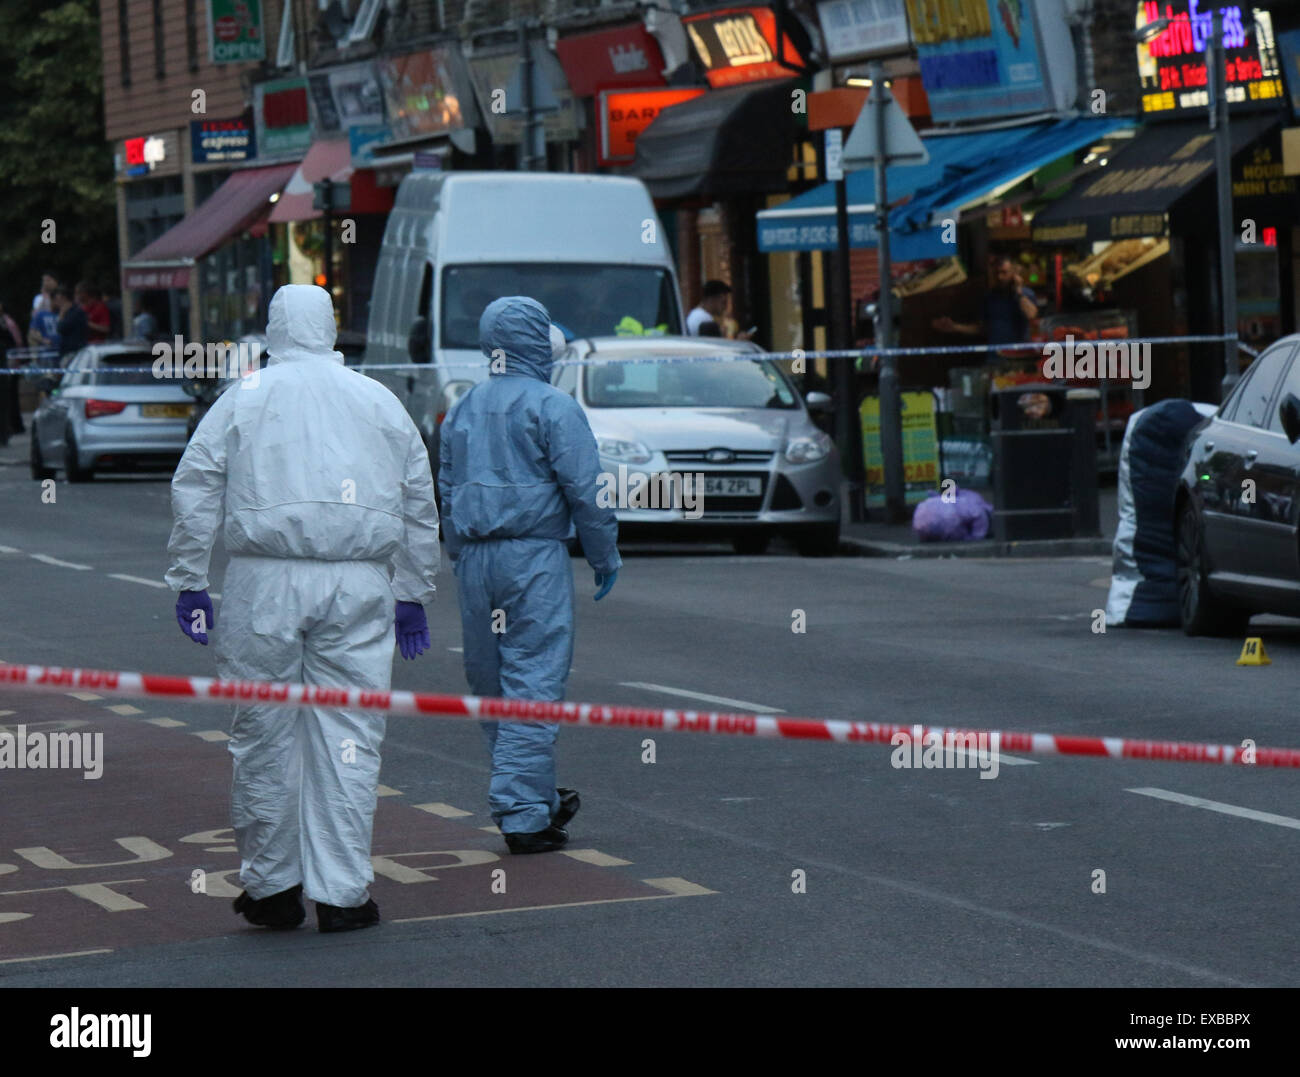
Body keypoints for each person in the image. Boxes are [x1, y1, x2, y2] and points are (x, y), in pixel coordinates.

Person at [165, 284, 441, 934]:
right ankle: (345, 894)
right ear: (330, 328)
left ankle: (272, 888)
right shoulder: (377, 399)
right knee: (349, 735)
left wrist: (190, 578)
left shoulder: (247, 397)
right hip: (358, 582)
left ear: (274, 329)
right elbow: (417, 498)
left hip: (265, 582)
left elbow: (197, 481)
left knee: (264, 733)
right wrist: (413, 590)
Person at [438, 296, 620, 854]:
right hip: (532, 558)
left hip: (475, 558)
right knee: (533, 680)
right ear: (536, 342)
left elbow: (445, 487)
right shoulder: (553, 407)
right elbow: (587, 492)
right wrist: (603, 554)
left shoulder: (464, 407)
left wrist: (457, 550)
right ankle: (522, 811)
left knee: (490, 682)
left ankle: (531, 794)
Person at [931, 256, 1039, 355]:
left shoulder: (1025, 294)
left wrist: (1018, 292)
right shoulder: (990, 297)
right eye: (997, 273)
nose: (1000, 277)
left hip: (1019, 357)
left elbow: (1031, 314)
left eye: (1004, 272)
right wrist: (955, 327)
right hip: (995, 357)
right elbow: (983, 329)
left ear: (1013, 274)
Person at [686, 279, 755, 340]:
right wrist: (739, 342)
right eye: (723, 302)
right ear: (711, 299)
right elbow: (715, 349)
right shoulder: (704, 319)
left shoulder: (697, 314)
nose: (725, 307)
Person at [52, 287, 87, 359]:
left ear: (64, 298)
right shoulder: (75, 311)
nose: (56, 302)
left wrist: (61, 315)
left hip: (73, 353)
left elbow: (60, 328)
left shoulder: (75, 313)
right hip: (68, 352)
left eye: (57, 299)